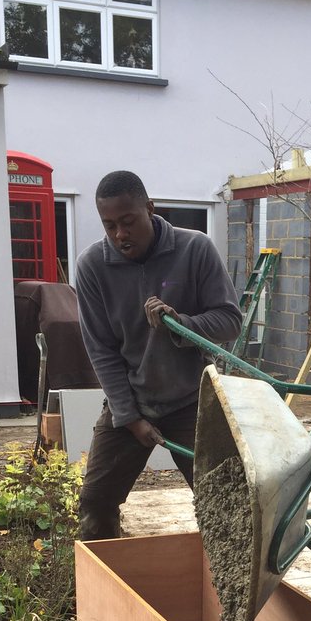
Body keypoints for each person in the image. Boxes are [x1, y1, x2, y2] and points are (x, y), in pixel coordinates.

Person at [75, 171, 242, 540]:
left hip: (193, 401)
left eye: (128, 221)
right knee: (95, 502)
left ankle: (224, 588)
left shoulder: (194, 249)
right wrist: (129, 417)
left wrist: (181, 324)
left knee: (226, 503)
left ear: (150, 209)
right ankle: (108, 586)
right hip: (132, 400)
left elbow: (231, 322)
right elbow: (101, 351)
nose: (120, 234)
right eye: (109, 225)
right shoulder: (92, 268)